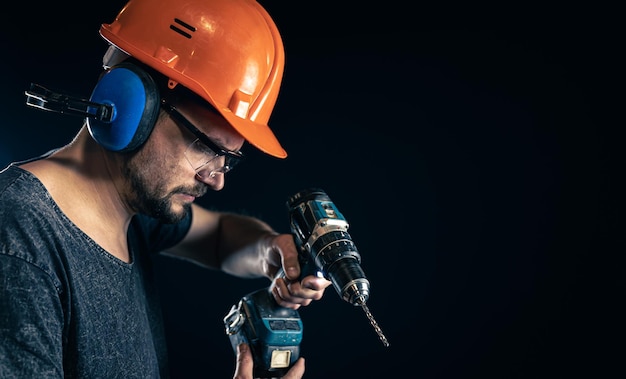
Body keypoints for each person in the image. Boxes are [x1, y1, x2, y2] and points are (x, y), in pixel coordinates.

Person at [0, 0, 331, 378]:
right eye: (206, 147)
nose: (218, 180)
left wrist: (269, 250)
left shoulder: (132, 207)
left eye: (229, 159)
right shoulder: (19, 240)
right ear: (128, 103)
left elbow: (220, 237)